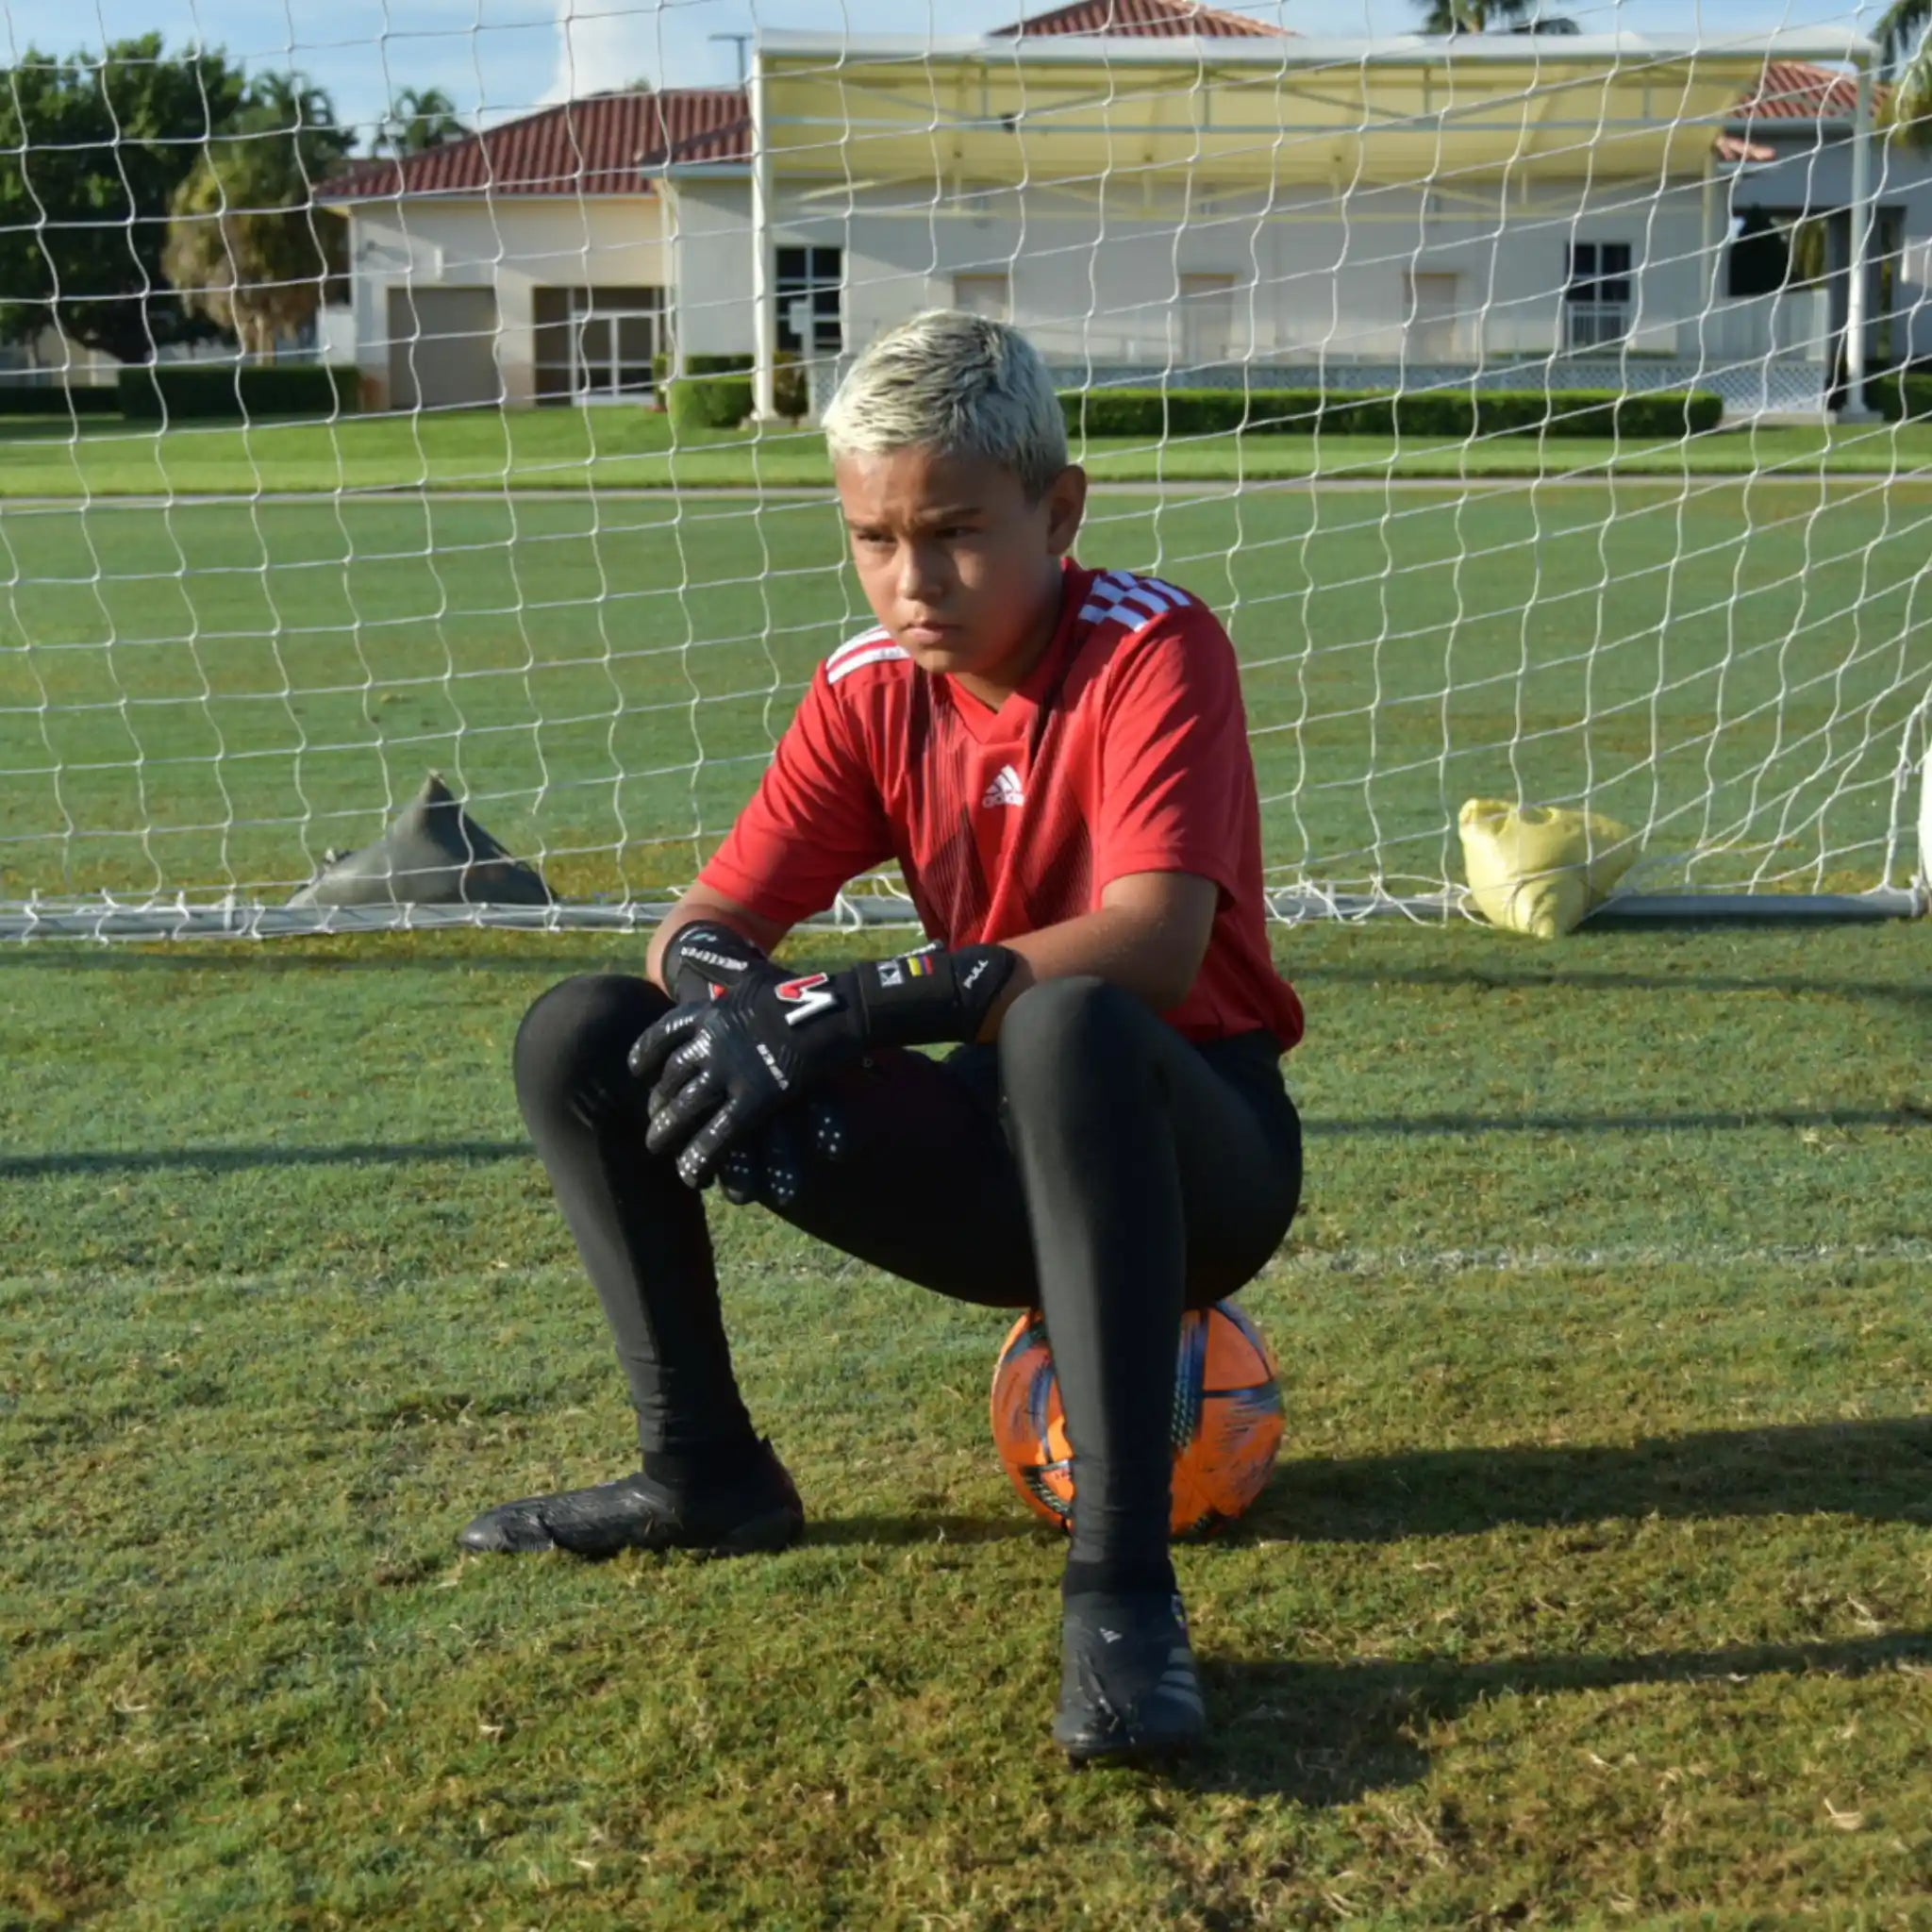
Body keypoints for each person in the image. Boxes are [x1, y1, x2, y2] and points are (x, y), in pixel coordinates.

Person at [464, 310, 1305, 1767]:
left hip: (1185, 1171)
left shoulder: (1151, 648)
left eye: (955, 534)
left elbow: (1155, 946)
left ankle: (1122, 1594)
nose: (911, 581)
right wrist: (741, 997)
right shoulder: (871, 689)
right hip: (987, 1178)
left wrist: (847, 1002)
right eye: (874, 537)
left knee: (1066, 1026)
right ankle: (706, 1475)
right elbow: (700, 928)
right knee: (588, 1034)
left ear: (1060, 508)